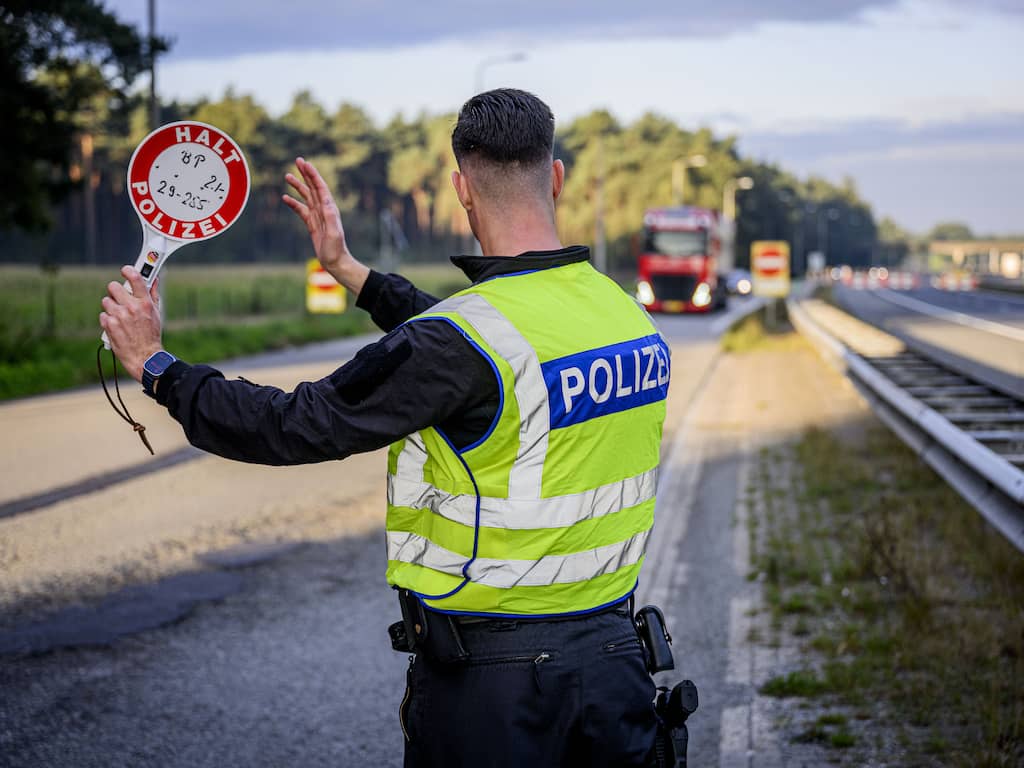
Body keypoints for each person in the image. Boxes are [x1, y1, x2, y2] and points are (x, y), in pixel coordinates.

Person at [100, 88, 672, 767]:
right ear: (556, 178)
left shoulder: (461, 345)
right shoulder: (621, 313)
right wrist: (351, 272)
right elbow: (491, 345)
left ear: (461, 189)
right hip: (616, 667)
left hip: (500, 690)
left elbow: (291, 425)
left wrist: (157, 365)